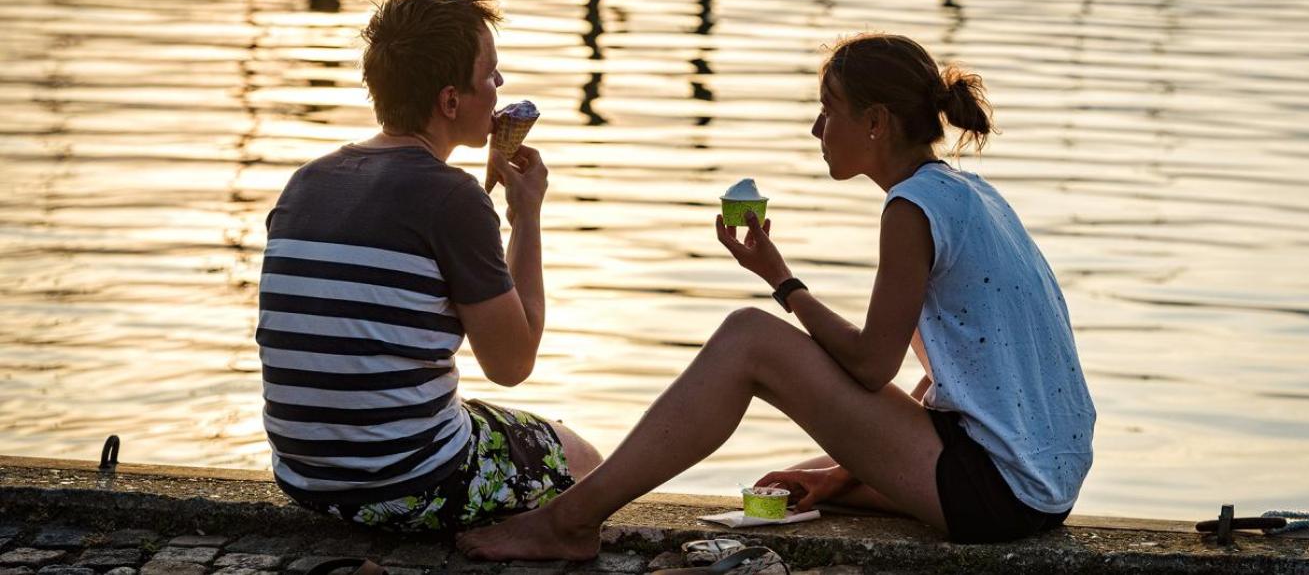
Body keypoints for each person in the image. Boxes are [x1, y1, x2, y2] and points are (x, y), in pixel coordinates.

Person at [455, 33, 1096, 559]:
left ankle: (567, 522)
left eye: (829, 108)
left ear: (875, 122)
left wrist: (781, 281)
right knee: (804, 476)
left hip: (997, 490)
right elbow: (953, 379)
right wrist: (840, 475)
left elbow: (873, 366)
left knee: (747, 339)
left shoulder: (912, 208)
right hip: (1041, 486)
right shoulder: (972, 194)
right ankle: (582, 516)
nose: (816, 126)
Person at [255, 0, 601, 533]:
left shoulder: (306, 182)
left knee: (471, 416)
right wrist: (526, 216)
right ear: (449, 101)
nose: (501, 86)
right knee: (584, 462)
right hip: (410, 482)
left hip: (304, 477)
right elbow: (512, 366)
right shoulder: (453, 197)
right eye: (490, 75)